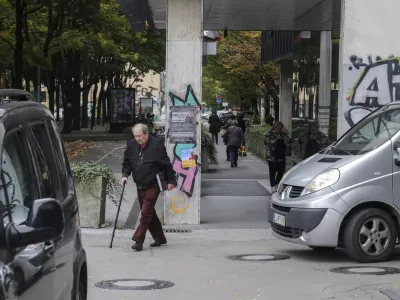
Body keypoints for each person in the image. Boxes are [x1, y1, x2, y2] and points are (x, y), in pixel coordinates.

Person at [121, 123, 177, 251]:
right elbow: (127, 162)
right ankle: (159, 238)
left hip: (154, 183)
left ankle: (138, 240)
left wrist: (171, 181)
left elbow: (166, 164)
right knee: (149, 212)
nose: (137, 139)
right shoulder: (131, 145)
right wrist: (125, 175)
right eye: (135, 136)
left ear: (146, 134)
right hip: (140, 183)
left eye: (139, 136)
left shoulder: (157, 145)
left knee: (145, 213)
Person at [265, 121, 290, 193]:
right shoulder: (269, 134)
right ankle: (272, 185)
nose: (279, 130)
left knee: (281, 171)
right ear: (274, 127)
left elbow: (288, 141)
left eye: (280, 129)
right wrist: (276, 138)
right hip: (272, 157)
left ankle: (277, 183)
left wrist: (284, 138)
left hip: (281, 156)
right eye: (278, 129)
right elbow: (267, 143)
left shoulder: (283, 134)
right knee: (272, 172)